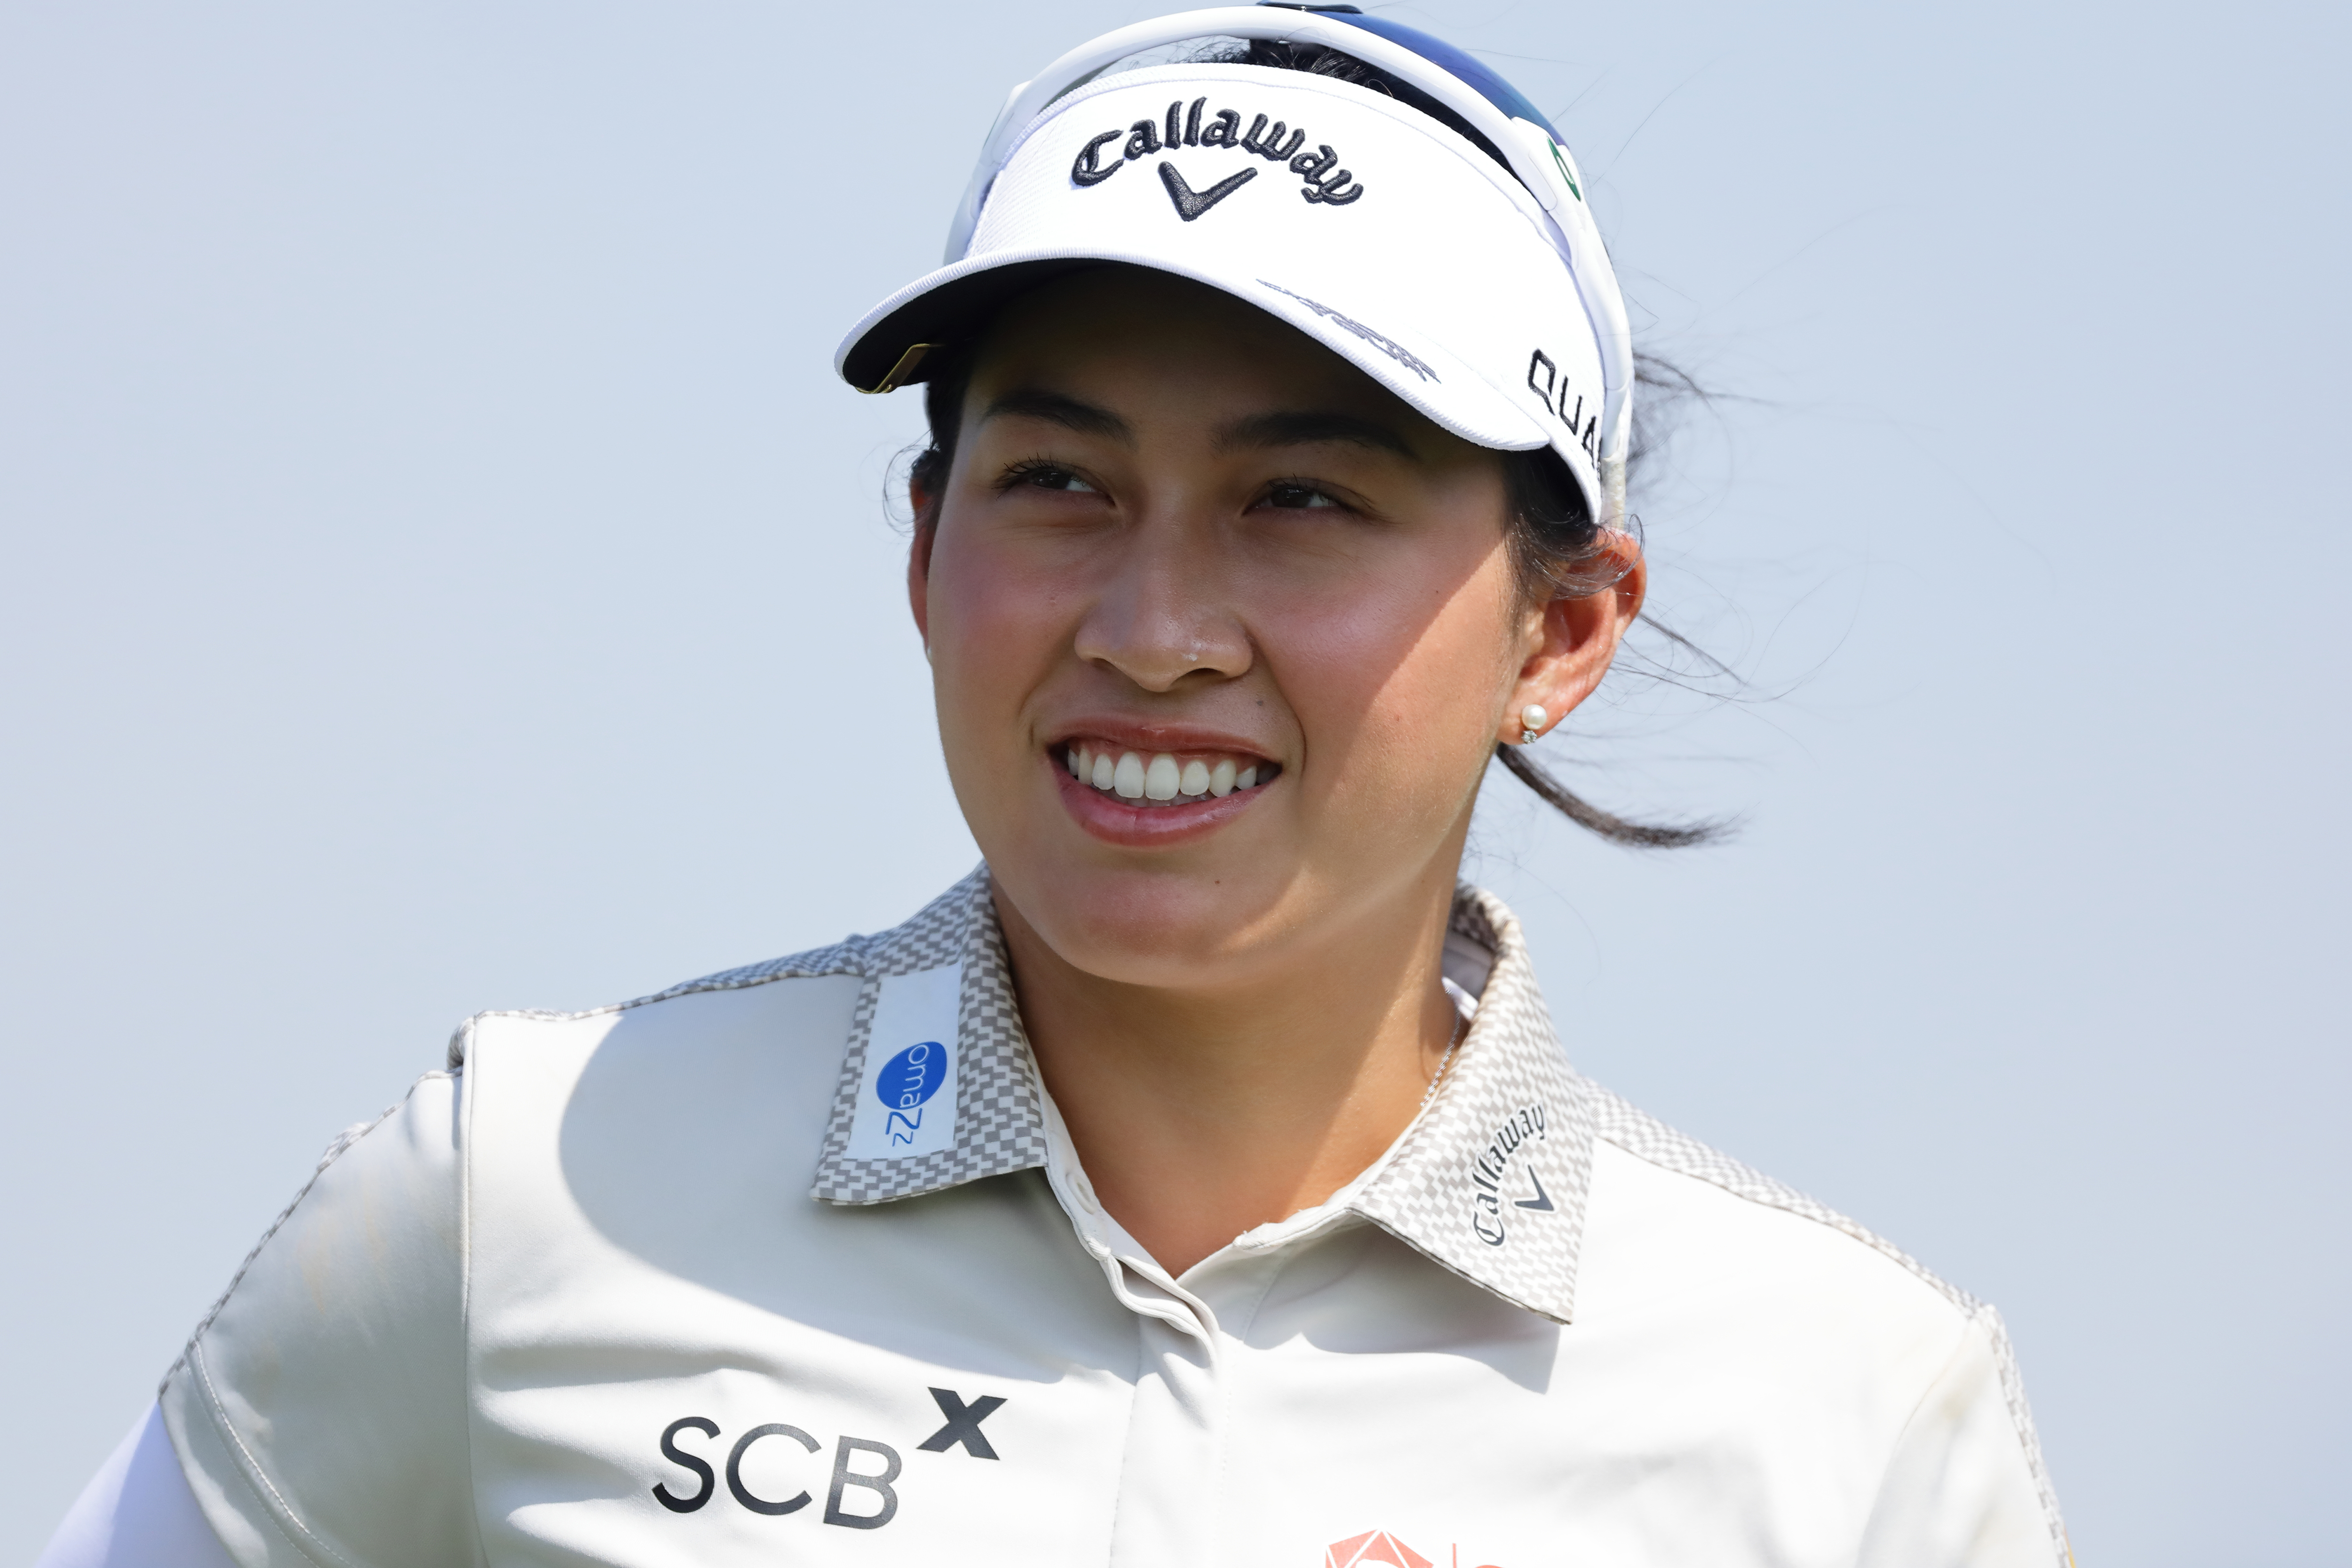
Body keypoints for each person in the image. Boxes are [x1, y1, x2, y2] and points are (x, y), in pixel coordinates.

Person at [39, 7, 2073, 1566]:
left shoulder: (1846, 1410)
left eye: (1301, 498)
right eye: (1060, 485)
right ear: (925, 556)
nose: (1154, 622)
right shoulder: (509, 1204)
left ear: (1560, 630)